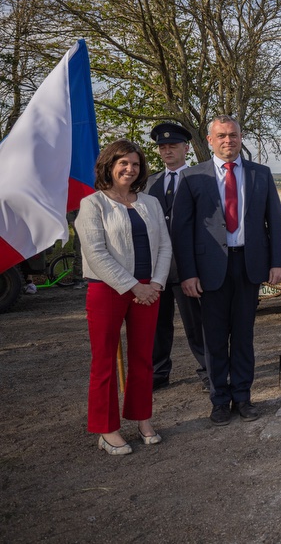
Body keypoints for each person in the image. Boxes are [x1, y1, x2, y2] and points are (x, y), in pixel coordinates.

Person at [172, 115, 281, 426]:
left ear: (240, 137)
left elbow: (275, 222)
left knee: (243, 336)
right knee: (214, 338)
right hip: (209, 270)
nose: (228, 140)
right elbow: (181, 231)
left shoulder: (260, 174)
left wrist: (278, 262)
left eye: (233, 135)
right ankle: (220, 400)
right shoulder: (192, 177)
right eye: (221, 136)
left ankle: (243, 397)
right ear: (210, 140)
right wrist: (187, 273)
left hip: (249, 265)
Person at [76, 139, 171, 455]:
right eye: (124, 163)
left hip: (149, 291)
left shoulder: (150, 203)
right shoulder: (93, 204)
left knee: (143, 359)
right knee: (103, 361)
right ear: (110, 166)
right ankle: (107, 430)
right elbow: (96, 253)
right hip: (108, 290)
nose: (130, 169)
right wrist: (133, 286)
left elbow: (164, 246)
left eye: (135, 164)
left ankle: (143, 419)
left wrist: (155, 284)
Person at [146, 122, 209, 392]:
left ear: (186, 148)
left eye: (173, 146)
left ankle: (209, 371)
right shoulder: (150, 183)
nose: (167, 151)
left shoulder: (202, 178)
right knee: (157, 326)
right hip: (156, 269)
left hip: (188, 267)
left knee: (197, 325)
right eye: (163, 147)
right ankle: (158, 373)